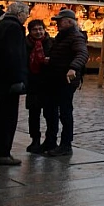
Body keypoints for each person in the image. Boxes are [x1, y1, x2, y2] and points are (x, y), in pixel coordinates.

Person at [42, 8, 89, 157]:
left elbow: (82, 53)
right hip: (54, 80)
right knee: (50, 111)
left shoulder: (76, 36)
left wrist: (73, 68)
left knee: (65, 112)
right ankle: (50, 140)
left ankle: (66, 145)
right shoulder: (62, 36)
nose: (57, 24)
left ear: (69, 22)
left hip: (66, 81)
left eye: (60, 21)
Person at [0, 2, 30, 165]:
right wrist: (19, 79)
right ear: (20, 13)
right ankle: (3, 152)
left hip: (0, 80)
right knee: (7, 117)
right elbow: (15, 55)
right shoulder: (14, 28)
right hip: (8, 82)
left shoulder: (1, 24)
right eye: (26, 14)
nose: (27, 17)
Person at [24, 19, 53, 154]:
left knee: (50, 113)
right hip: (33, 83)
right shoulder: (25, 43)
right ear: (30, 31)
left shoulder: (50, 42)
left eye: (40, 29)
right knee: (34, 113)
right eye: (35, 29)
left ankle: (50, 140)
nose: (38, 32)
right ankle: (35, 139)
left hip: (48, 83)